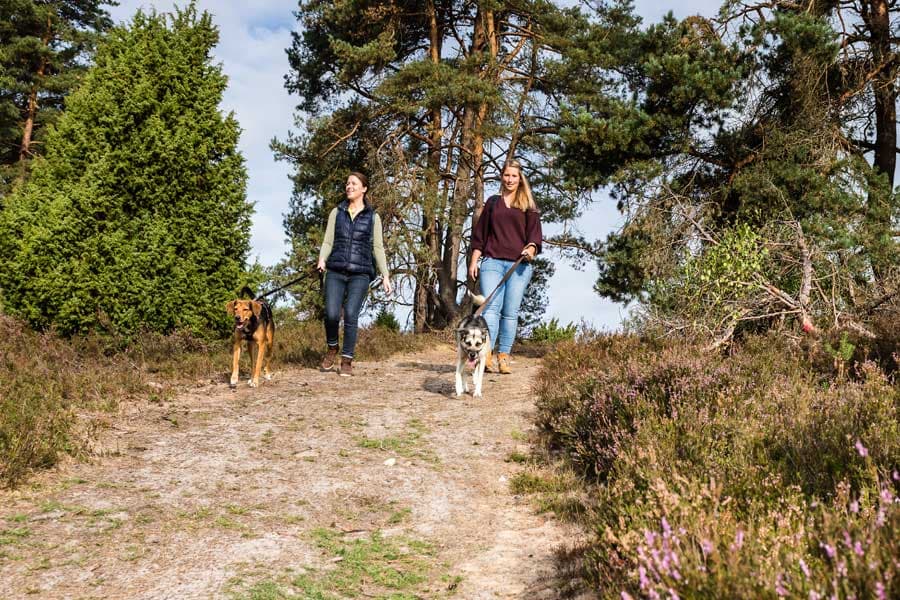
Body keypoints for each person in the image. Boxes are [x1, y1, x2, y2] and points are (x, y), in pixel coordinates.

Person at [467, 159, 543, 374]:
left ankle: (504, 356)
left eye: (514, 176)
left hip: (519, 266)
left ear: (520, 179)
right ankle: (487, 354)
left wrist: (531, 249)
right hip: (492, 262)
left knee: (510, 312)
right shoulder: (492, 203)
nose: (510, 179)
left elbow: (535, 237)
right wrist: (474, 260)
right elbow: (479, 235)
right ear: (502, 177)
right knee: (491, 309)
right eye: (507, 175)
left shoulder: (528, 206)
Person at [317, 171, 392, 376]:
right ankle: (332, 347)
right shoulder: (337, 212)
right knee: (332, 314)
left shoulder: (373, 217)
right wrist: (322, 259)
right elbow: (328, 241)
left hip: (360, 273)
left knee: (351, 313)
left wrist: (385, 275)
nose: (349, 186)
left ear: (364, 189)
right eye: (347, 183)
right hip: (335, 270)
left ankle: (347, 359)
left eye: (354, 183)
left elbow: (378, 247)